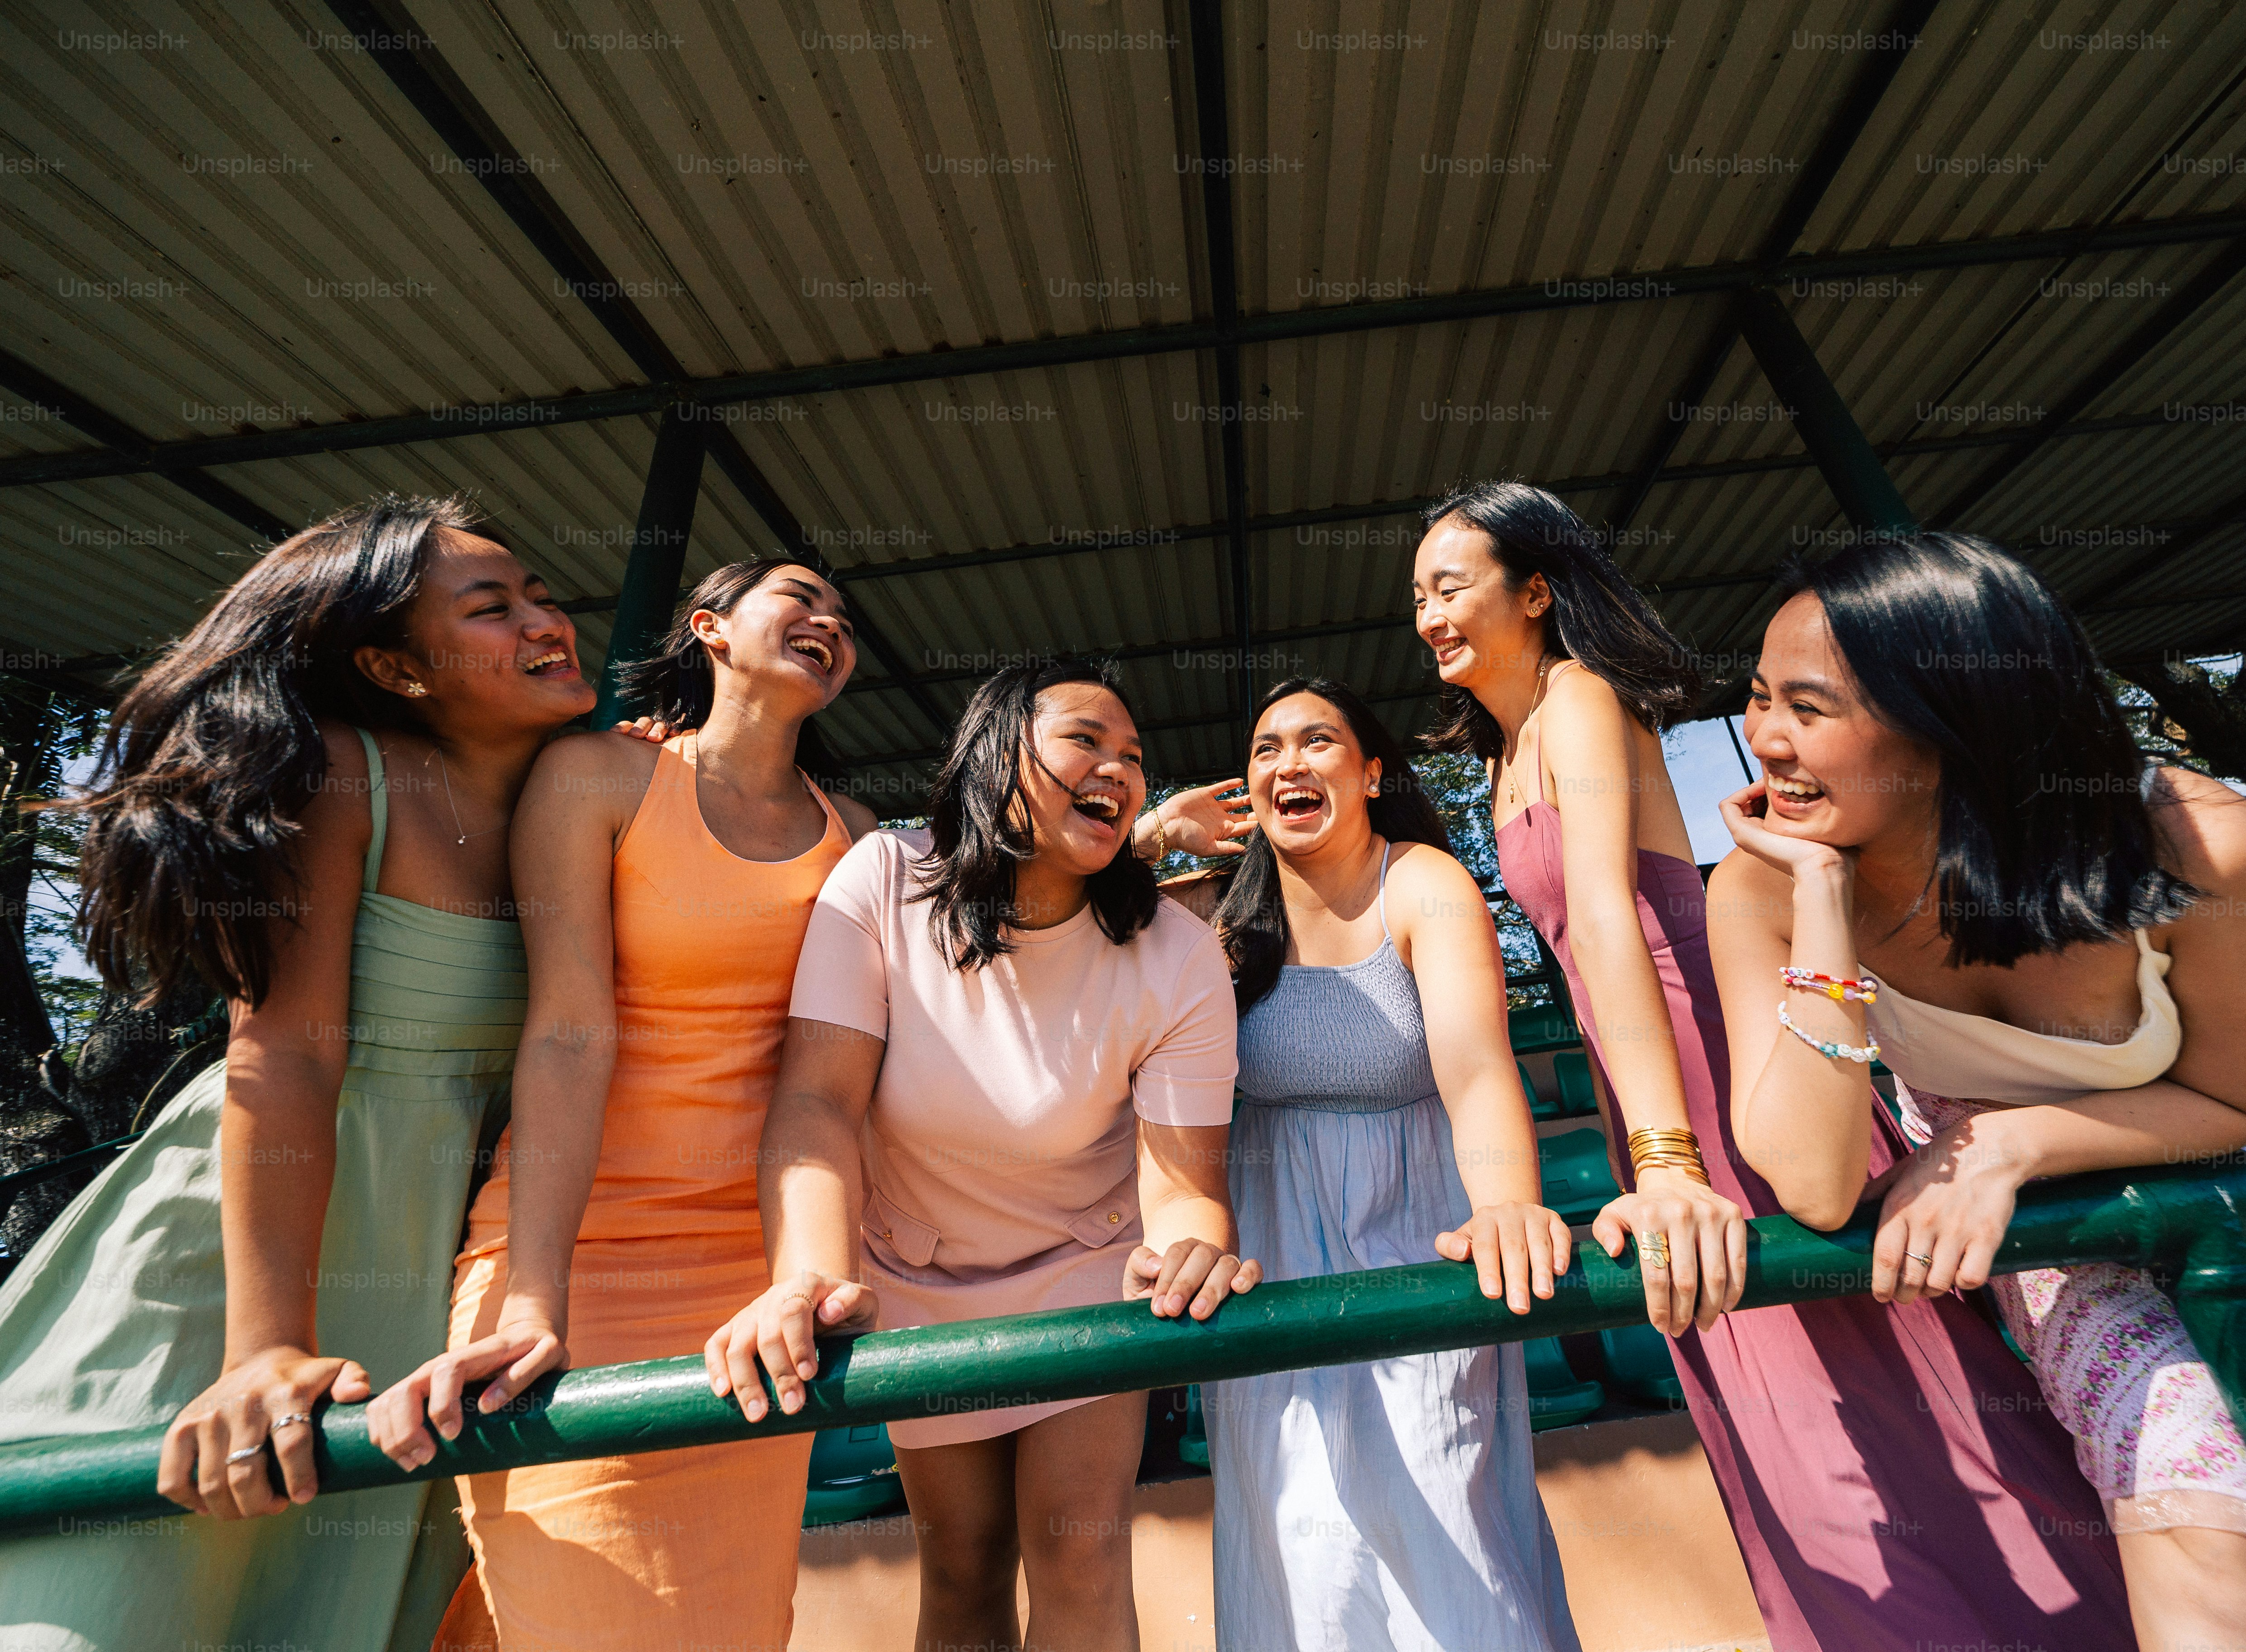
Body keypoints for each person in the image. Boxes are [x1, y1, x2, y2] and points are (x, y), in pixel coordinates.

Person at [1712, 532, 2246, 1649]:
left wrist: (2013, 1144)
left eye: (1810, 709)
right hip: (2069, 1224)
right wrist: (1822, 898)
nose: (1766, 741)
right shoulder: (1765, 886)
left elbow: (2240, 1097)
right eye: (1758, 699)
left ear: (1948, 721)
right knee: (2203, 1530)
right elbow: (1816, 1180)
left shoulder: (2196, 840)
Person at [1410, 484, 2136, 1650]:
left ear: (1536, 592)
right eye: (1417, 598)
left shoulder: (1584, 699)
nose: (1429, 616)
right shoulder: (1507, 751)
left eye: (1452, 587)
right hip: (1638, 1068)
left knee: (1870, 1394)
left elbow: (1607, 926)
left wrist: (1665, 1161)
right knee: (1782, 1420)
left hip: (1715, 1054)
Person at [0, 496, 595, 1649]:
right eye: (493, 607)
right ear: (393, 665)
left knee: (304, 1609)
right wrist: (262, 1347)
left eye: (538, 593)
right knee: (105, 1600)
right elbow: (286, 1055)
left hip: (417, 1265)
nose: (546, 621)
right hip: (241, 1254)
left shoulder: (581, 803)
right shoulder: (349, 778)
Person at [366, 557, 875, 1651]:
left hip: (750, 1288)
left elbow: (834, 1086)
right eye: (800, 596)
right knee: (567, 1608)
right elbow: (566, 1034)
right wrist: (532, 1303)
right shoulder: (595, 777)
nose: (828, 619)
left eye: (842, 614)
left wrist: (807, 1277)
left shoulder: (862, 837)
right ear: (710, 628)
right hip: (572, 1254)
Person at [705, 659, 1254, 1652]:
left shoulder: (1178, 952)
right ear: (997, 755)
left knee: (1081, 1556)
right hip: (916, 1278)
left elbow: (1184, 1186)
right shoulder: (882, 877)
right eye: (1087, 740)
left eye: (1134, 757)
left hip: (1087, 1274)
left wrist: (1188, 1250)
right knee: (962, 1567)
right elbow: (819, 1101)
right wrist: (809, 1278)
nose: (1120, 770)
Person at [1165, 676, 1580, 1652]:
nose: (1288, 764)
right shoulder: (1216, 919)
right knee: (1302, 1547)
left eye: (1317, 742)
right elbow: (1054, 927)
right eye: (1266, 749)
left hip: (1412, 1235)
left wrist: (1510, 1205)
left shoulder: (1423, 882)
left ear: (1371, 772)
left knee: (1448, 1520)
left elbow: (1477, 1069)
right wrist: (1152, 839)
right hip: (1272, 1260)